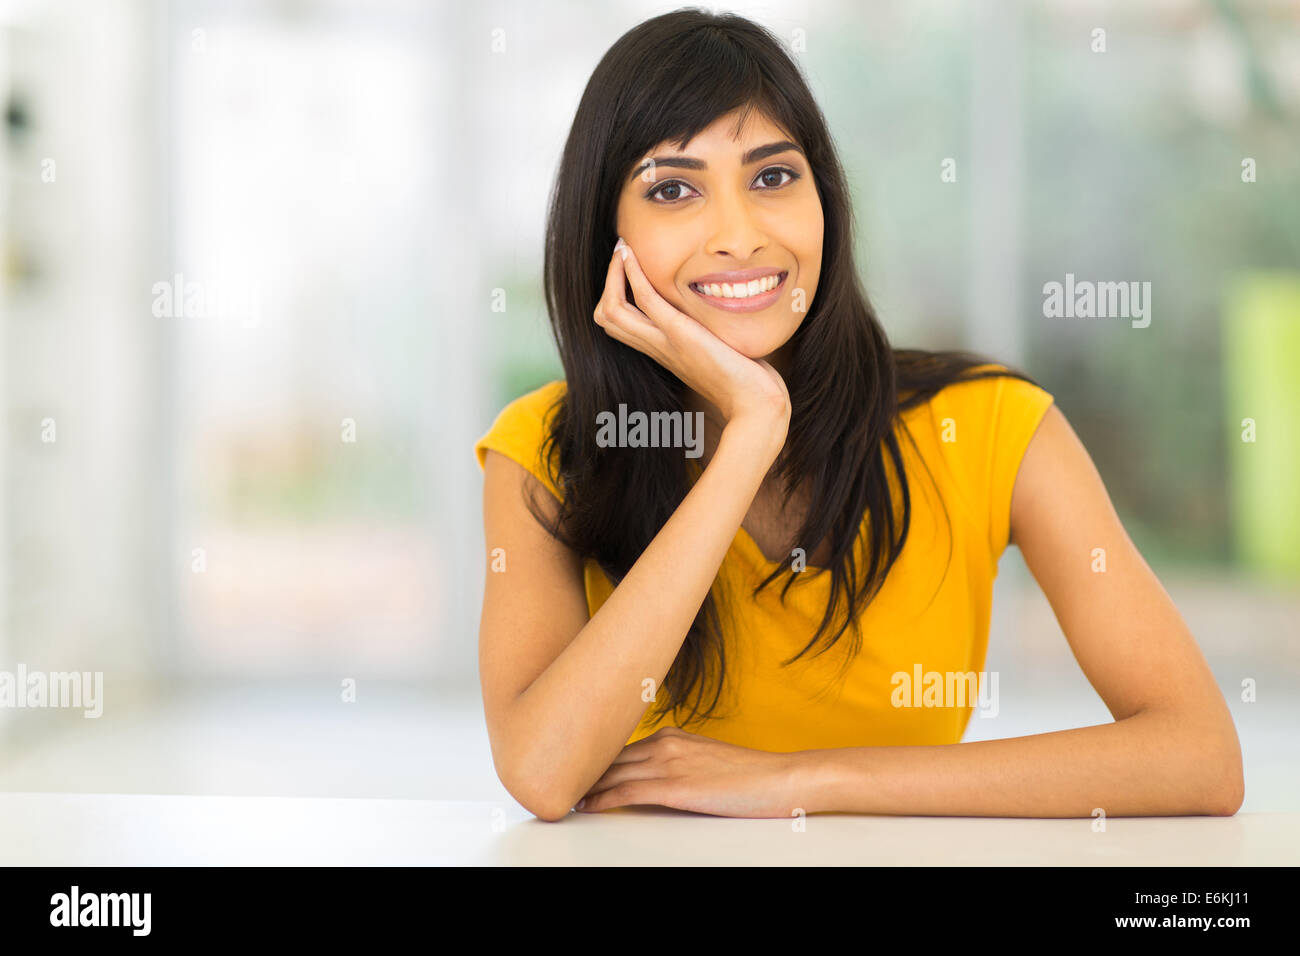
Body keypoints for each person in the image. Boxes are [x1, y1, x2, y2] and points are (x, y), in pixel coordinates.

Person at [474, 8, 1242, 822]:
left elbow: (1199, 756)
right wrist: (752, 432)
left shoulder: (990, 427)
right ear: (607, 236)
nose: (739, 235)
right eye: (673, 189)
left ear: (826, 202)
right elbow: (542, 771)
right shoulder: (546, 450)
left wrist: (805, 781)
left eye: (773, 176)